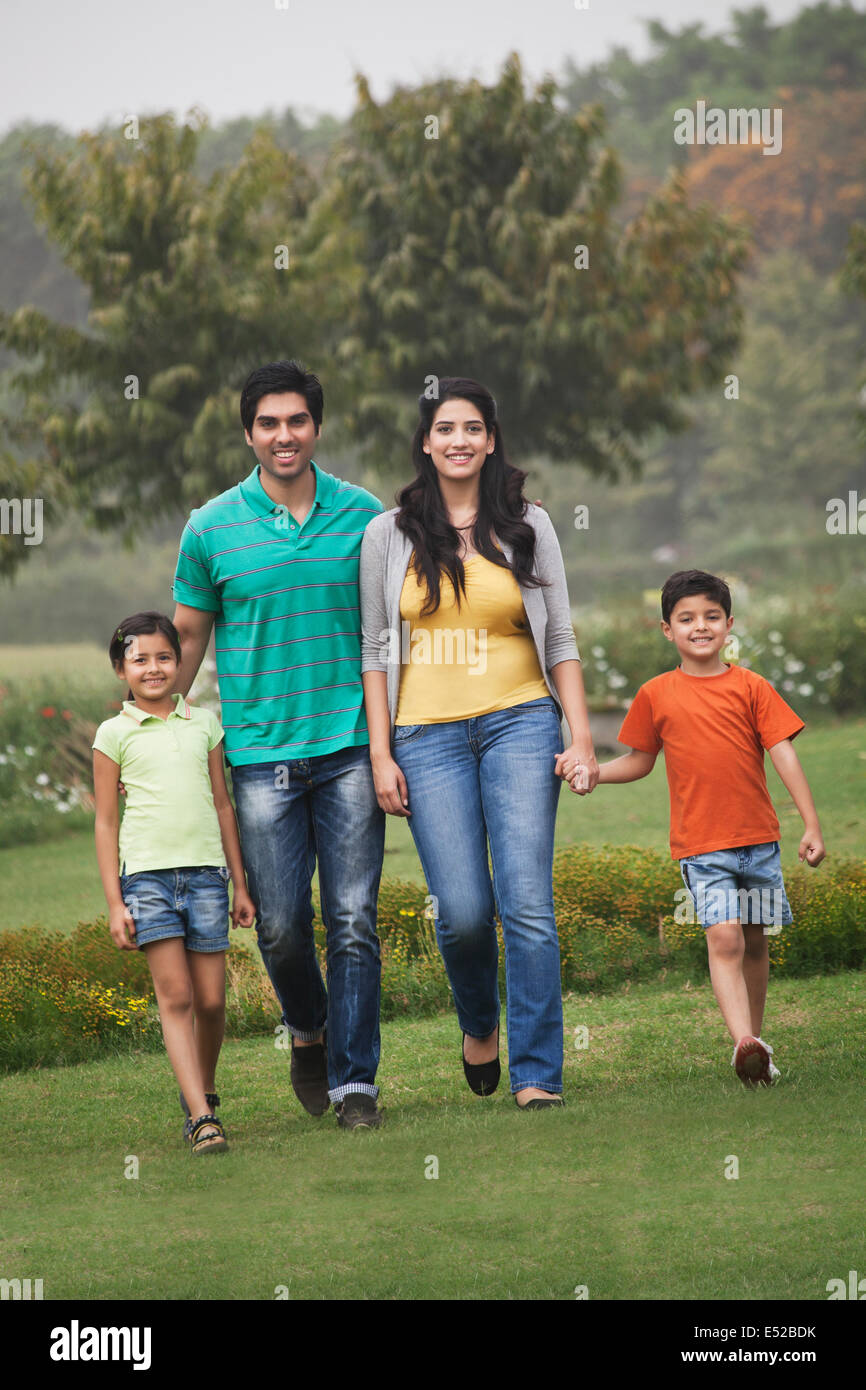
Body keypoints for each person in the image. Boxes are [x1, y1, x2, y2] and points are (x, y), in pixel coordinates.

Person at [360, 377, 598, 1109]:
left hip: (521, 722)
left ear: (491, 439)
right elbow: (374, 647)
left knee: (526, 902)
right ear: (426, 443)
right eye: (444, 429)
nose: (458, 440)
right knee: (462, 911)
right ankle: (478, 1022)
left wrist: (581, 736)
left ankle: (536, 1074)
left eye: (472, 428)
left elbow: (559, 636)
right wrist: (380, 753)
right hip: (425, 737)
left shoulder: (529, 523)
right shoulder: (387, 534)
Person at [171, 361, 387, 1129]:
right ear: (249, 433)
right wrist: (145, 730)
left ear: (316, 428)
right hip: (259, 753)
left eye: (297, 421)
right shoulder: (210, 527)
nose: (284, 435)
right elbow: (187, 638)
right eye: (269, 423)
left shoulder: (366, 517)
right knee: (281, 924)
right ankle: (308, 1028)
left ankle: (355, 1085)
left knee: (354, 917)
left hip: (351, 745)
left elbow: (389, 634)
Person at [567, 569, 825, 1086]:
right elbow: (640, 761)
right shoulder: (656, 694)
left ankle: (757, 1048)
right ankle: (743, 1044)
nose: (700, 627)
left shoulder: (752, 687)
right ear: (667, 629)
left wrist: (811, 824)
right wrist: (595, 773)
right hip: (702, 847)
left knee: (754, 942)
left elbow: (784, 754)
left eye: (711, 617)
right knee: (725, 939)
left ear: (730, 625)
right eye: (686, 619)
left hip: (759, 842)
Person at [92, 611, 256, 1155]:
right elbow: (106, 822)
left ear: (180, 661)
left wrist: (240, 884)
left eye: (164, 656)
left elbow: (222, 803)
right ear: (122, 669)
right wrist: (116, 904)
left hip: (207, 877)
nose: (154, 668)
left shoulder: (204, 723)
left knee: (210, 1001)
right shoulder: (112, 734)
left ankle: (200, 1092)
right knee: (178, 995)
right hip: (146, 881)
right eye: (140, 659)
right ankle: (203, 1119)